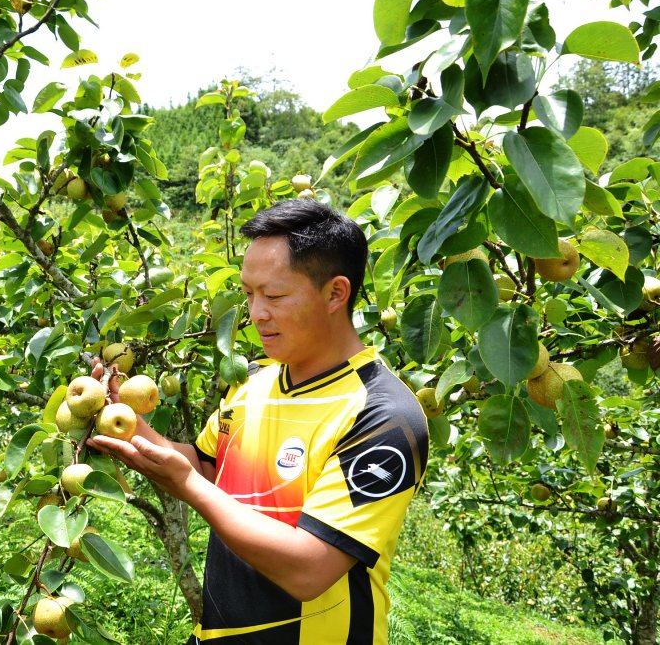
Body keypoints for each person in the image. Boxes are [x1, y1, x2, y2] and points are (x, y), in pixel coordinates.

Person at [90, 199, 429, 645]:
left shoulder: (385, 416)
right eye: (249, 294)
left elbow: (310, 569)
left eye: (274, 296)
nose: (255, 313)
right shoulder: (252, 381)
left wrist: (187, 487)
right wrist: (127, 422)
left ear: (336, 293)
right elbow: (212, 469)